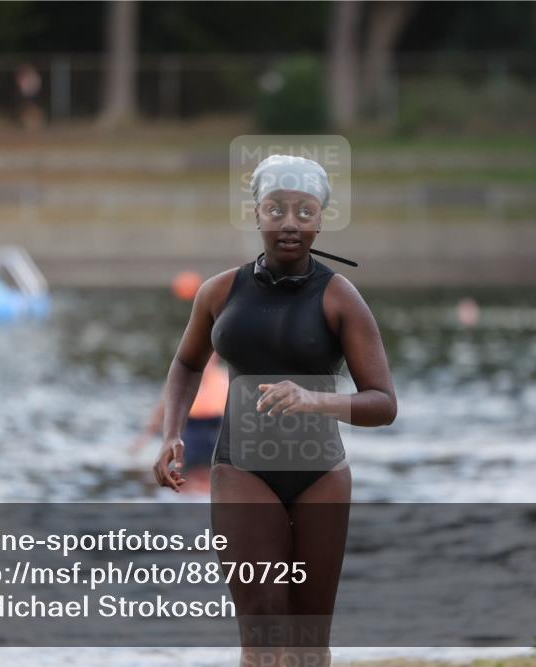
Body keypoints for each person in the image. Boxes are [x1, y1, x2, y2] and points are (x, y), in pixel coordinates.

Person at [152, 154, 397, 667]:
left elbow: (383, 403)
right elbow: (186, 363)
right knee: (261, 631)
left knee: (309, 642)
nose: (290, 222)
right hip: (241, 468)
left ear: (321, 219)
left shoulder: (340, 298)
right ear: (256, 213)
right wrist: (172, 432)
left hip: (321, 475)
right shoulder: (219, 292)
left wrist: (316, 400)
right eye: (276, 209)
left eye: (305, 211)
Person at [128, 352, 228, 494]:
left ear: (216, 358)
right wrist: (140, 443)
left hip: (214, 440)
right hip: (188, 440)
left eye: (211, 358)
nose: (207, 362)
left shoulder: (224, 380)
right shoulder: (181, 379)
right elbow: (159, 414)